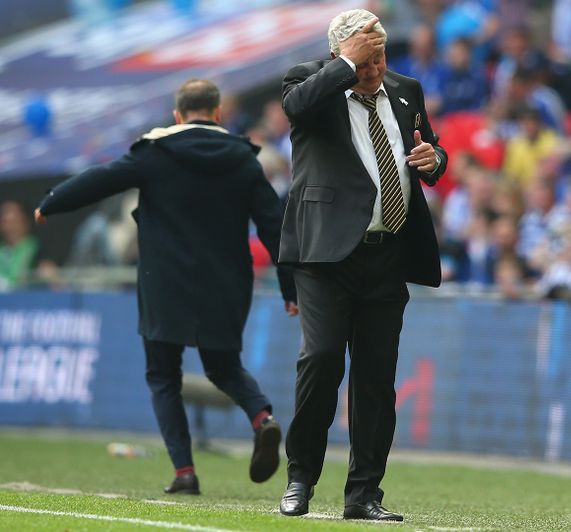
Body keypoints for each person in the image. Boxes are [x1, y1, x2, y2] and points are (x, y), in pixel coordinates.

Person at [34, 79, 297, 495]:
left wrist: (51, 202)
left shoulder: (154, 154)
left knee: (162, 375)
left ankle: (184, 473)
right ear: (217, 114)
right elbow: (274, 229)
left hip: (164, 283)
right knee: (224, 367)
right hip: (227, 282)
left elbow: (99, 179)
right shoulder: (246, 160)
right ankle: (262, 418)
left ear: (177, 115)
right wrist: (290, 290)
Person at [277, 9, 447, 522]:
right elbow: (297, 109)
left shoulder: (405, 89)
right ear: (339, 54)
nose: (375, 67)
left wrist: (434, 160)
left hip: (386, 252)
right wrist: (346, 68)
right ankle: (301, 478)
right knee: (322, 359)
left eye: (380, 56)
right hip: (325, 253)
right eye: (364, 58)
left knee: (376, 378)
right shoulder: (309, 81)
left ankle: (364, 494)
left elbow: (428, 148)